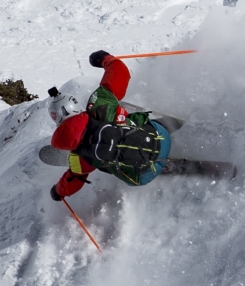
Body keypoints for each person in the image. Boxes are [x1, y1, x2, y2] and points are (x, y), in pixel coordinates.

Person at [48, 51, 174, 200]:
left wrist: (58, 192)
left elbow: (73, 180)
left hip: (143, 176)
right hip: (162, 138)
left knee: (101, 163)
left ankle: (133, 161)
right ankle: (171, 126)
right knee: (128, 117)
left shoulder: (78, 155)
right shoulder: (99, 103)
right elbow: (120, 72)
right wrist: (104, 59)